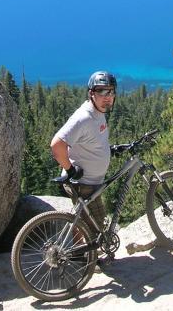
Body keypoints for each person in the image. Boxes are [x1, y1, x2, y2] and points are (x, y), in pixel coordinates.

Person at [50, 70, 117, 234]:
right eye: (101, 91)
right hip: (83, 185)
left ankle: (86, 256)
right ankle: (81, 258)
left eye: (111, 91)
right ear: (91, 93)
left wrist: (111, 149)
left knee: (92, 225)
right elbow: (57, 145)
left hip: (92, 184)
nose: (107, 96)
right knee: (92, 229)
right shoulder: (84, 117)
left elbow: (92, 140)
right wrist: (70, 170)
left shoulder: (98, 112)